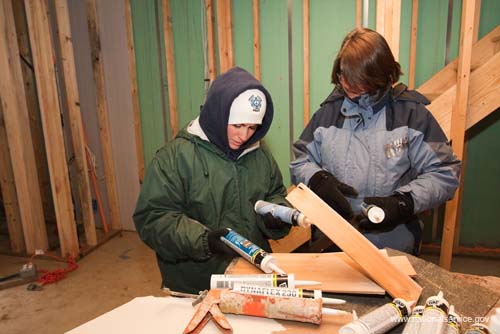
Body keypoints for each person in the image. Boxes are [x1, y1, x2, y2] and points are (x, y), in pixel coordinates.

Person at [289, 28, 460, 254]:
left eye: (358, 81)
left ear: (380, 77)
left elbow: (445, 172)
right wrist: (318, 179)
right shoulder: (327, 114)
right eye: (343, 76)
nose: (347, 85)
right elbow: (301, 160)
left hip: (392, 246)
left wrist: (403, 203)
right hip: (333, 241)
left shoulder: (411, 115)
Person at [133, 67, 291, 294]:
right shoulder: (177, 157)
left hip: (251, 274)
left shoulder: (259, 153)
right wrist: (205, 241)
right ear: (218, 114)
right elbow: (153, 218)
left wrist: (277, 215)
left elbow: (275, 193)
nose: (244, 136)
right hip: (196, 282)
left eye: (252, 127)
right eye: (237, 125)